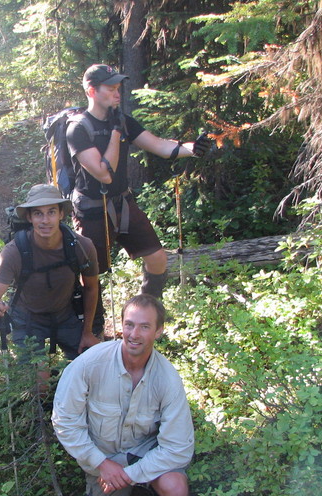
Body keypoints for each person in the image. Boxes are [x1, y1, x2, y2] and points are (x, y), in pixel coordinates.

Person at [52, 294, 194, 496]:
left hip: (144, 454)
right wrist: (102, 464)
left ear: (158, 331)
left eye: (144, 326)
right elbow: (65, 420)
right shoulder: (90, 364)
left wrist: (128, 475)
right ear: (121, 327)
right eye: (129, 325)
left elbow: (178, 447)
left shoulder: (167, 378)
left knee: (176, 490)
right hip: (103, 458)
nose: (134, 334)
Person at [67, 64, 213, 322]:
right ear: (91, 91)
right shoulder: (78, 129)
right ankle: (93, 326)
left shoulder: (123, 121)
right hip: (91, 209)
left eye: (118, 88)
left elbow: (158, 145)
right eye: (110, 88)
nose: (117, 93)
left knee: (157, 258)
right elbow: (104, 173)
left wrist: (192, 148)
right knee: (91, 274)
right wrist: (114, 133)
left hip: (122, 203)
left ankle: (148, 313)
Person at [0, 184, 102, 387]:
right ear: (29, 218)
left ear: (61, 214)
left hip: (66, 315)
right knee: (40, 386)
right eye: (38, 214)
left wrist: (88, 332)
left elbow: (91, 287)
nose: (45, 220)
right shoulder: (14, 252)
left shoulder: (82, 246)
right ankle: (42, 411)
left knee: (91, 372)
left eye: (51, 212)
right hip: (27, 318)